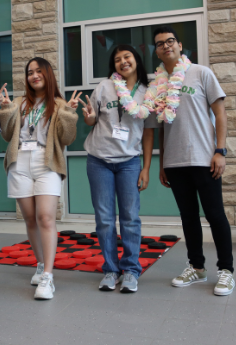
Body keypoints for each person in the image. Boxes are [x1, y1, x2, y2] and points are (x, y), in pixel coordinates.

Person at [145, 26, 234, 296]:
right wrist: (161, 163)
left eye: (170, 41)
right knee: (188, 217)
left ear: (180, 45)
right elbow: (159, 127)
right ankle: (196, 267)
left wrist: (220, 150)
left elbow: (220, 114)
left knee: (215, 215)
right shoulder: (156, 85)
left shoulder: (201, 73)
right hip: (175, 161)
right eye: (159, 44)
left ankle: (226, 270)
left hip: (205, 157)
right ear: (156, 51)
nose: (165, 46)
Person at [0, 57, 79, 300]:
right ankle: (41, 263)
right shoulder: (19, 102)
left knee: (45, 217)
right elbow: (7, 135)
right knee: (30, 218)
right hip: (20, 161)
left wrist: (70, 113)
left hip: (46, 162)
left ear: (47, 74)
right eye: (30, 72)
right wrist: (5, 110)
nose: (34, 76)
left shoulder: (59, 103)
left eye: (38, 71)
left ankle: (48, 276)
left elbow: (67, 139)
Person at [82, 45, 153, 293]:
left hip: (130, 162)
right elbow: (91, 119)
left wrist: (146, 168)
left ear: (136, 60)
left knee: (130, 218)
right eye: (117, 59)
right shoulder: (104, 86)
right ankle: (111, 270)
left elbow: (148, 133)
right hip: (99, 159)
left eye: (127, 57)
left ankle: (131, 270)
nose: (123, 62)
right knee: (104, 219)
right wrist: (88, 116)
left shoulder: (148, 91)